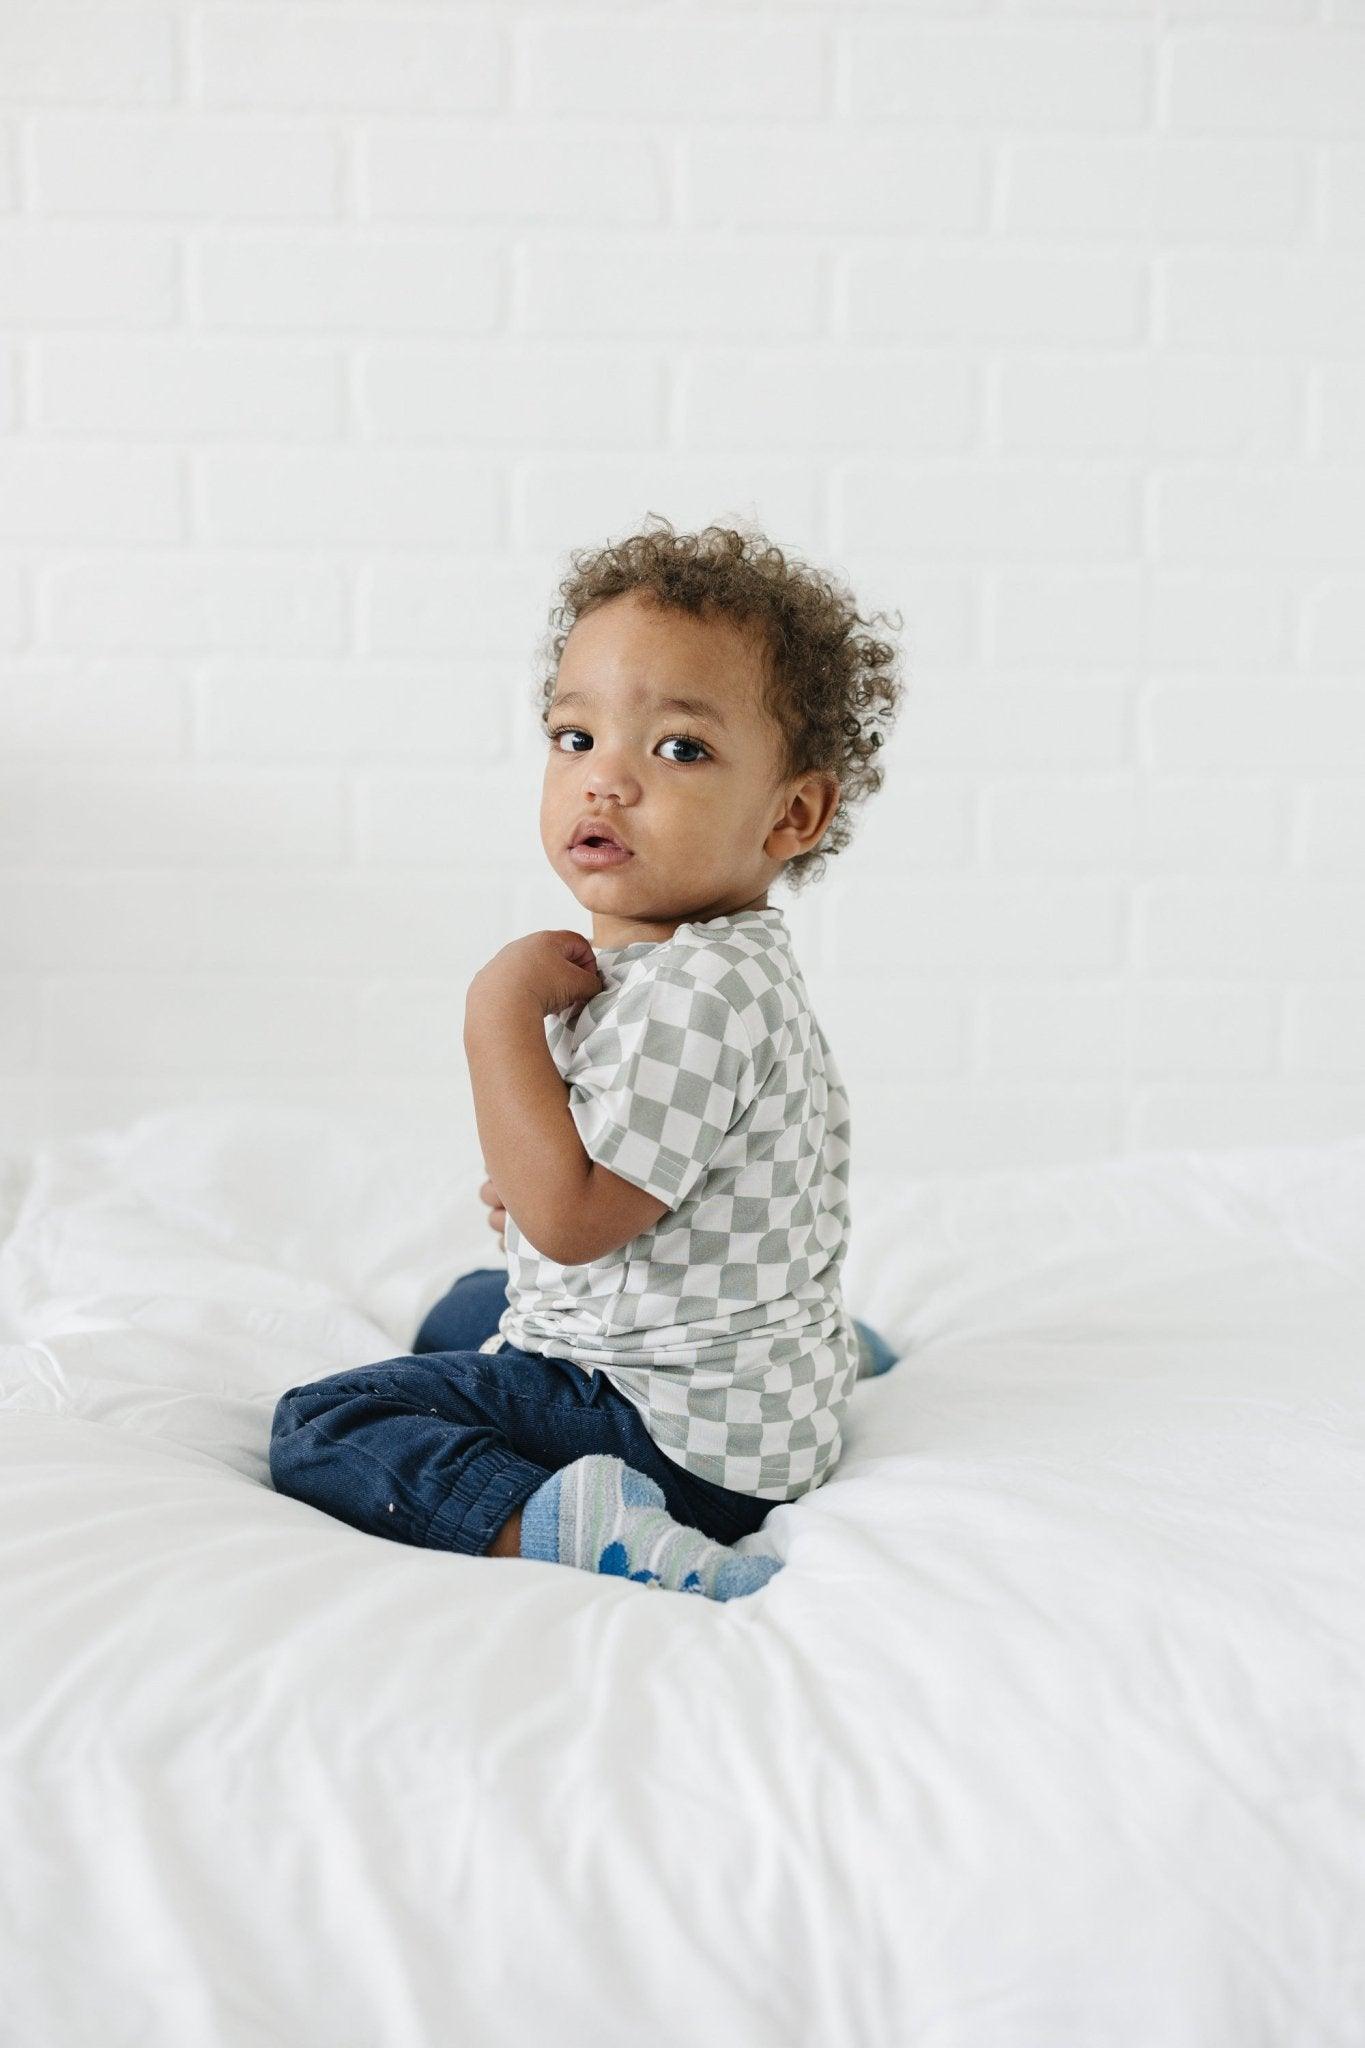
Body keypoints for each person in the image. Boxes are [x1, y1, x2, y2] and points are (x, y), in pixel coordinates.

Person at [270, 516, 905, 1600]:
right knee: (463, 1306)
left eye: (679, 749)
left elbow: (569, 1227)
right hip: (735, 1390)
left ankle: (577, 1526)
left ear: (792, 812)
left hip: (678, 1437)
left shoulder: (692, 996)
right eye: (575, 737)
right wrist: (540, 1178)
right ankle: (821, 1346)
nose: (604, 780)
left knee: (325, 1423)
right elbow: (620, 1184)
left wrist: (496, 1014)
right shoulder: (710, 967)